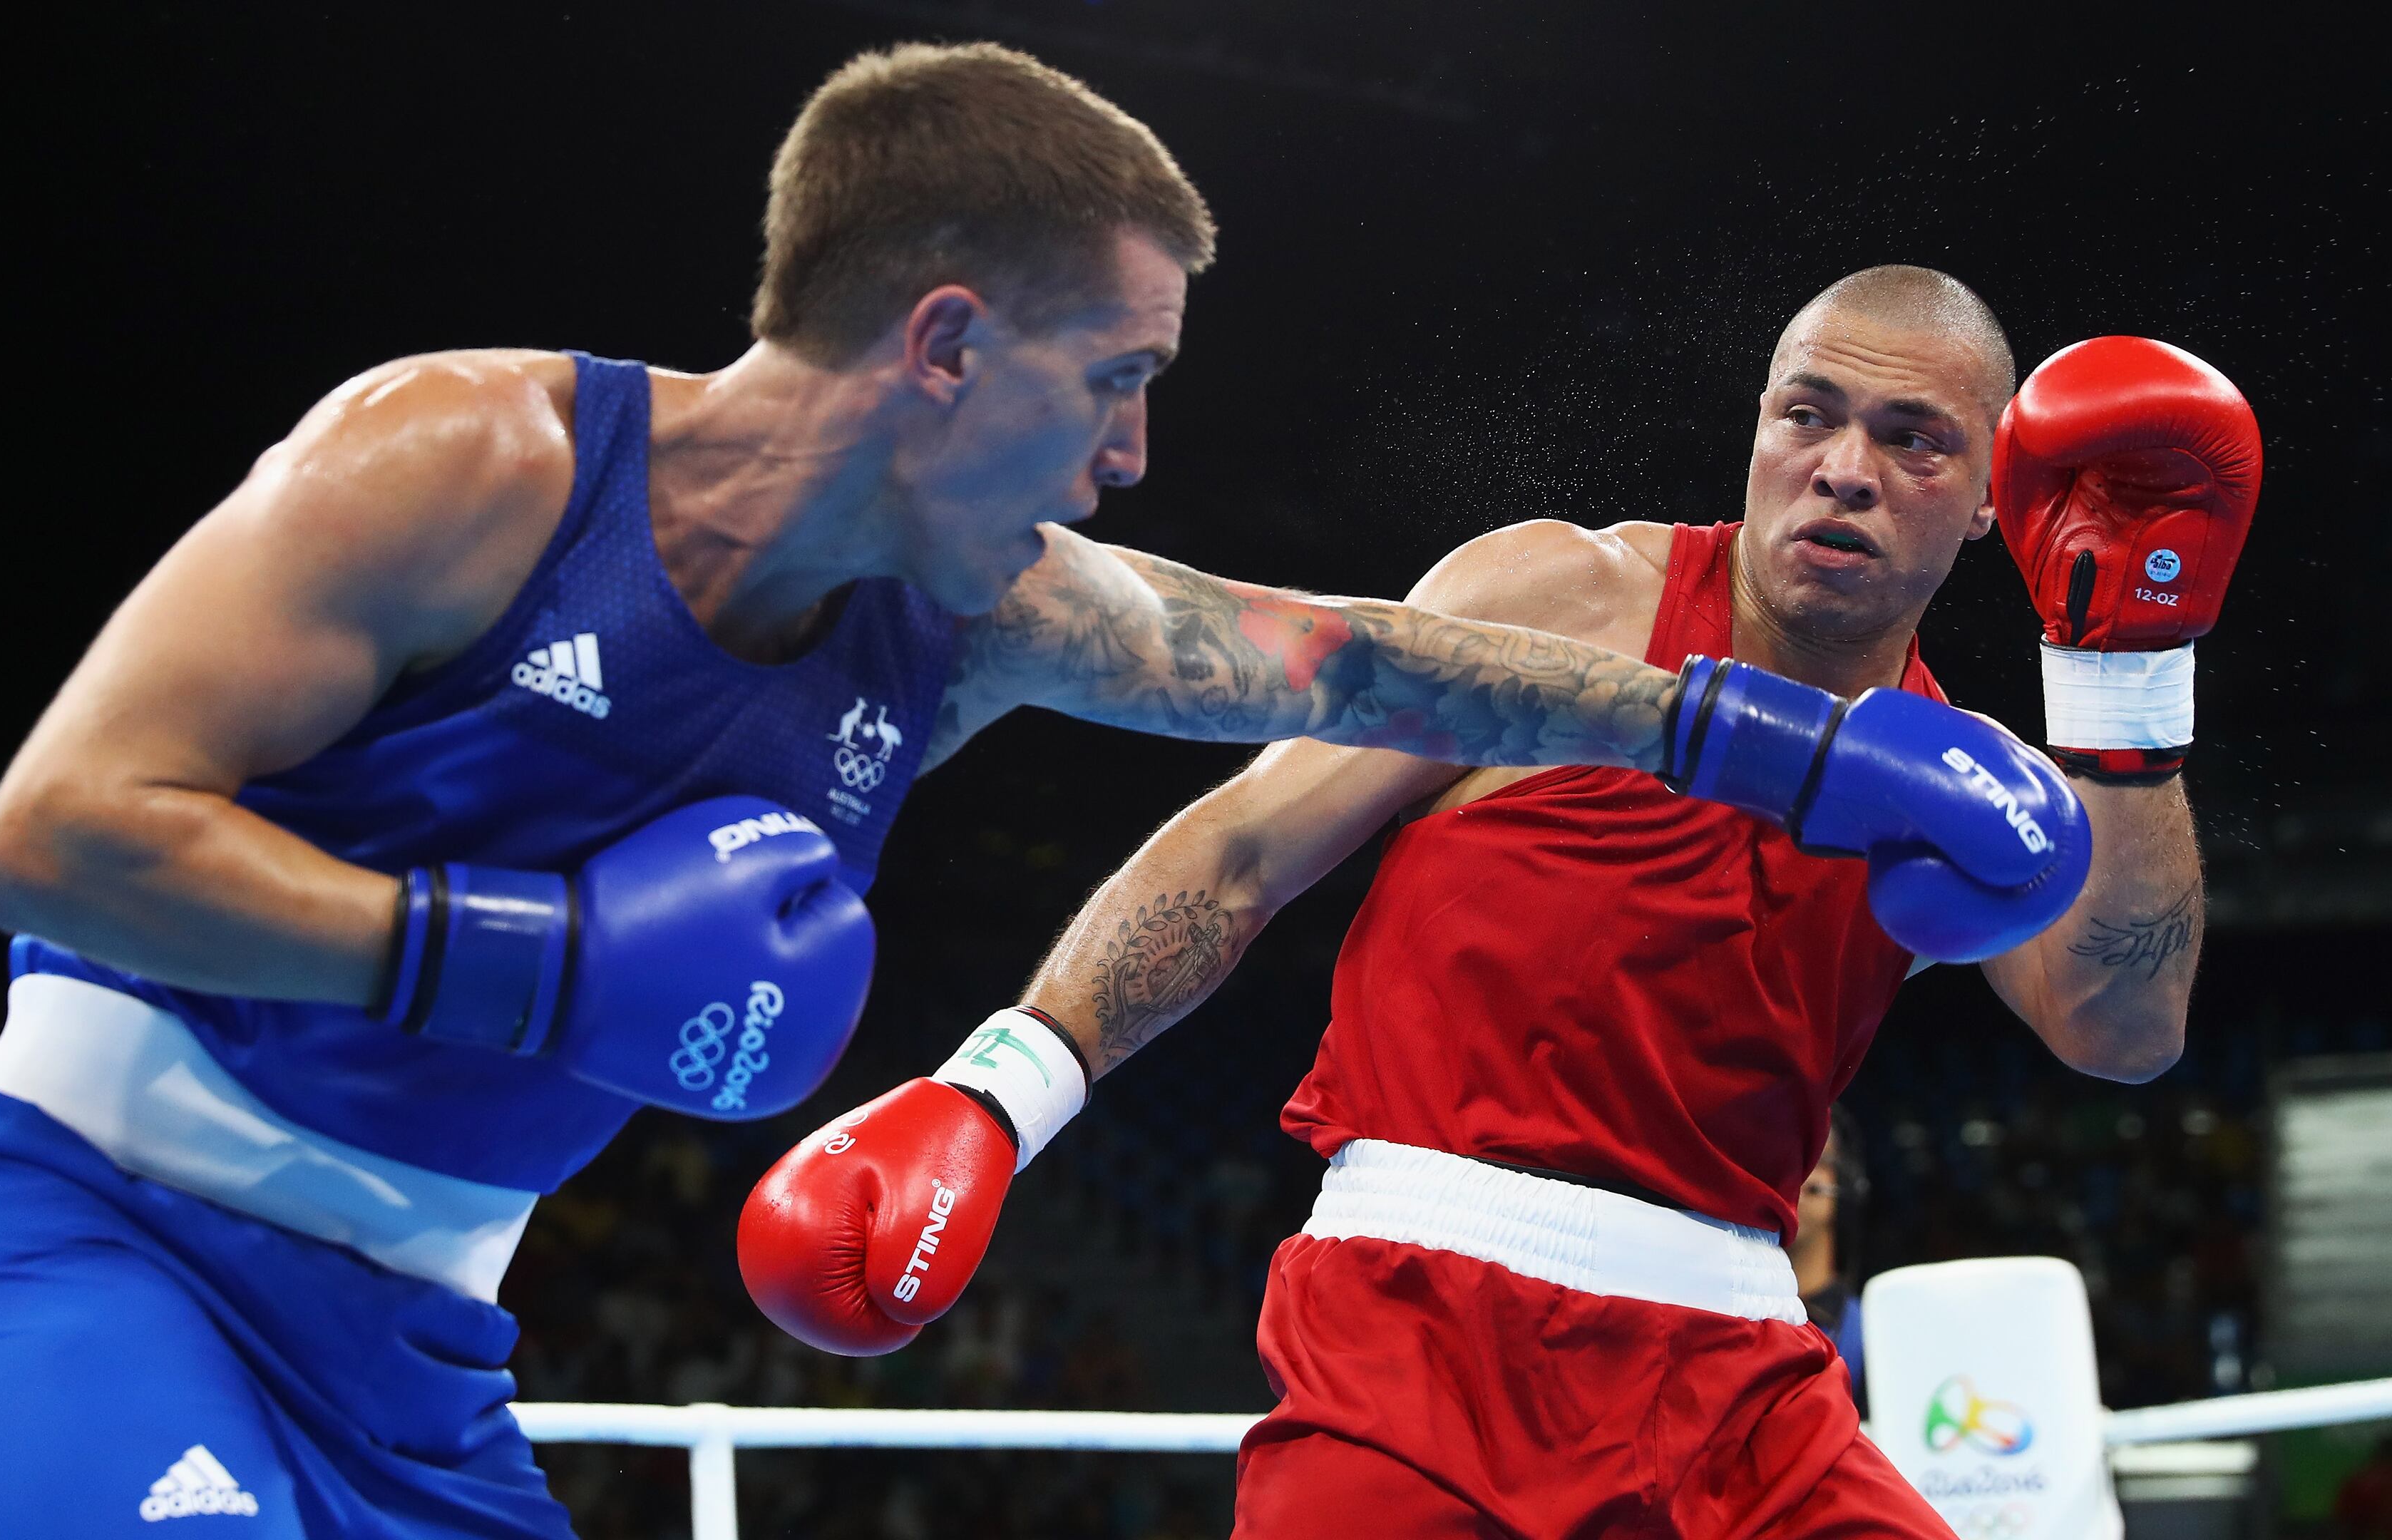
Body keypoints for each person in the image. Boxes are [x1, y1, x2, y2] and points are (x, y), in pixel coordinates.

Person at [0, 41, 2082, 1539]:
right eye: (1110, 381)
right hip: (83, 1232)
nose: (1127, 454)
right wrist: (523, 963)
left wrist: (1746, 734)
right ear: (938, 349)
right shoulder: (468, 460)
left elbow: (1352, 660)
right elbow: (59, 838)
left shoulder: (992, 608)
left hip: (419, 1347)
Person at [741, 268, 2262, 1536]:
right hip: (1412, 1342)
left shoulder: (1970, 790)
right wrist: (1000, 1092)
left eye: (1914, 439)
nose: (1844, 468)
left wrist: (2125, 678)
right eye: (1808, 415)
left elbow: (2123, 1027)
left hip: (1743, 1387)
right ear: (1759, 428)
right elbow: (1243, 848)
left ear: (1996, 493)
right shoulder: (1559, 598)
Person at [1792, 1106, 1869, 1400]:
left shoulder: (1873, 1335)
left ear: (1839, 1184)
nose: (1787, 1177)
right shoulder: (1726, 1321)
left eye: (1810, 1158)